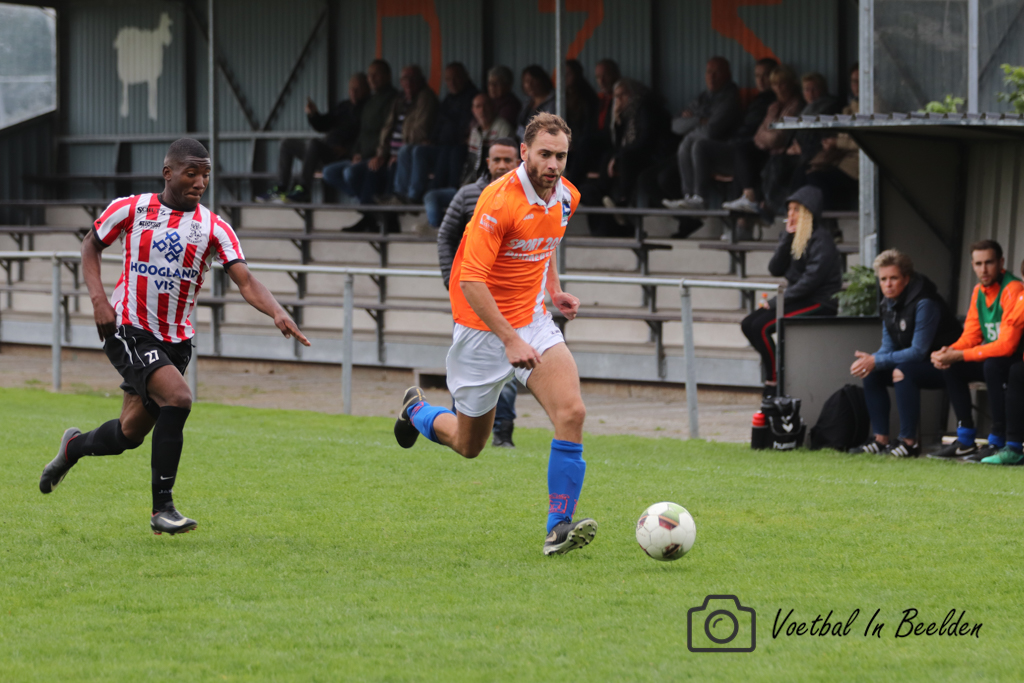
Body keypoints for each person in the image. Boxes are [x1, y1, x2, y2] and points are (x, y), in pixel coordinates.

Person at [39, 138, 310, 535]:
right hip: (129, 327)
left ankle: (72, 447)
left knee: (128, 434)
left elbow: (246, 281)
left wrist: (277, 311)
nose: (200, 182)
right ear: (168, 173)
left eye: (206, 175)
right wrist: (98, 300)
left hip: (176, 342)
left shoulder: (215, 228)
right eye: (191, 173)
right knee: (179, 397)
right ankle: (162, 509)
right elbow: (90, 246)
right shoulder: (132, 208)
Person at [393, 114, 597, 556]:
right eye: (545, 154)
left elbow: (547, 242)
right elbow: (471, 280)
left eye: (561, 156)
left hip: (532, 320)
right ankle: (417, 411)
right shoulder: (498, 200)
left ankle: (559, 528)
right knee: (469, 445)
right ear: (524, 152)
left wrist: (554, 290)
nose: (553, 164)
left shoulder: (567, 195)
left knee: (572, 412)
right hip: (482, 330)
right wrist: (509, 339)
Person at [435, 137, 520, 446]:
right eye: (496, 160)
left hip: (510, 298)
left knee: (507, 363)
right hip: (473, 297)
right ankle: (459, 423)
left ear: (519, 162)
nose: (502, 166)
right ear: (487, 162)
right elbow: (445, 237)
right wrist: (452, 279)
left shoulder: (525, 198)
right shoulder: (469, 194)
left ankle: (503, 431)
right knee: (467, 364)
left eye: (508, 160)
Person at [848, 250, 961, 457]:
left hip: (947, 366)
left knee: (902, 371)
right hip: (917, 364)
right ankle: (880, 440)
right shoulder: (887, 304)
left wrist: (876, 360)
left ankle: (909, 443)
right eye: (883, 279)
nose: (888, 284)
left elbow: (918, 352)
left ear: (906, 279)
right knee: (872, 372)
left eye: (894, 278)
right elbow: (888, 348)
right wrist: (869, 361)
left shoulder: (925, 302)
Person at [739, 186, 842, 396]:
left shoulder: (821, 239)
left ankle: (774, 381)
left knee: (761, 327)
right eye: (789, 209)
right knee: (748, 324)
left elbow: (811, 281)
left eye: (796, 209)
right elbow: (775, 269)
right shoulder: (794, 237)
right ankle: (776, 375)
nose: (791, 214)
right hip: (798, 297)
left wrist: (778, 302)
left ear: (808, 212)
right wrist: (786, 238)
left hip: (820, 301)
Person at [928, 240, 1024, 461]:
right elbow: (971, 336)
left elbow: (1007, 345)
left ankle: (998, 441)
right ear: (972, 265)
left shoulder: (1014, 289)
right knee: (953, 367)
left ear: (1001, 262)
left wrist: (959, 354)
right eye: (978, 264)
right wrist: (948, 352)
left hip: (1009, 359)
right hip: (992, 357)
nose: (984, 269)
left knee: (993, 366)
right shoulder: (978, 291)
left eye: (989, 262)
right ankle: (965, 440)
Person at [258, 73, 369, 204]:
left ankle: (303, 189)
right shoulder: (343, 106)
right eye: (351, 89)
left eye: (357, 89)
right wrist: (313, 115)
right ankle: (281, 187)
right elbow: (323, 125)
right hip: (324, 151)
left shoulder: (367, 110)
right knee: (286, 143)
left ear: (366, 89)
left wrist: (349, 151)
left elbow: (367, 136)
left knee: (313, 143)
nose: (353, 93)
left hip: (340, 156)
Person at [580, 78, 668, 236]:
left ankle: (623, 201)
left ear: (632, 93)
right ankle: (602, 194)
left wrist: (618, 156)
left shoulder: (644, 107)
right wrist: (617, 122)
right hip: (634, 154)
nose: (619, 100)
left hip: (652, 156)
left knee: (624, 157)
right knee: (609, 155)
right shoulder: (627, 114)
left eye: (623, 95)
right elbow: (618, 143)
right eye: (616, 96)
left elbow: (645, 141)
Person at [661, 56, 742, 210]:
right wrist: (699, 120)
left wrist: (691, 125)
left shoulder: (730, 97)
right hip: (701, 154)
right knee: (687, 144)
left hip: (726, 153)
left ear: (727, 75)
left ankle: (700, 198)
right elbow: (675, 126)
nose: (712, 77)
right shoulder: (703, 98)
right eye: (709, 72)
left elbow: (712, 130)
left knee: (696, 144)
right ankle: (688, 196)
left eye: (717, 73)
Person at [722, 65, 804, 215]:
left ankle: (750, 201)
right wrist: (768, 137)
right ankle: (741, 215)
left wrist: (767, 137)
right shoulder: (773, 106)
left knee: (746, 155)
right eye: (775, 84)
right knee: (742, 153)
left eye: (782, 83)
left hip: (782, 153)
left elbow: (778, 137)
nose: (779, 88)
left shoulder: (796, 105)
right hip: (767, 150)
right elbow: (758, 135)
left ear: (792, 84)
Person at [322, 59, 397, 218]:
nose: (372, 78)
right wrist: (355, 153)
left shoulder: (393, 99)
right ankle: (365, 200)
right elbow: (362, 132)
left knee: (350, 173)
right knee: (329, 172)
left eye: (376, 75)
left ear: (387, 76)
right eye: (370, 75)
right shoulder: (371, 102)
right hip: (362, 156)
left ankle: (368, 208)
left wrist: (379, 155)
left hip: (377, 157)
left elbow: (387, 131)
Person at [423, 94, 512, 228]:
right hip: (470, 187)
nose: (482, 110)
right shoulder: (475, 131)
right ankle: (437, 230)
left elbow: (505, 167)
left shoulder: (503, 128)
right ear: (473, 110)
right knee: (431, 196)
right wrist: (465, 186)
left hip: (491, 190)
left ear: (493, 107)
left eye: (485, 106)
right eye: (478, 106)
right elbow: (471, 164)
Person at [404, 62, 478, 204]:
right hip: (441, 145)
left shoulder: (472, 97)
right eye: (448, 79)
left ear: (465, 77)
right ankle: (413, 196)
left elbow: (466, 128)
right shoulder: (448, 99)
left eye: (456, 78)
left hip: (460, 148)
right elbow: (438, 124)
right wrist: (431, 139)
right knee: (419, 151)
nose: (452, 82)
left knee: (450, 151)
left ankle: (441, 192)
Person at [562, 59, 598, 185]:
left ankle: (571, 187)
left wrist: (574, 141)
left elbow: (589, 126)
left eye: (569, 74)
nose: (565, 77)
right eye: (563, 74)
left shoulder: (587, 96)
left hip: (583, 142)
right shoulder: (561, 95)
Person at [516, 65, 556, 140]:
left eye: (533, 80)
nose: (530, 85)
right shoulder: (527, 104)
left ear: (542, 80)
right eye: (526, 81)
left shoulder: (554, 102)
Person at [486, 66, 521, 138]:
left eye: (496, 84)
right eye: (490, 83)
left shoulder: (511, 105)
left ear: (507, 85)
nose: (492, 87)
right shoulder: (488, 101)